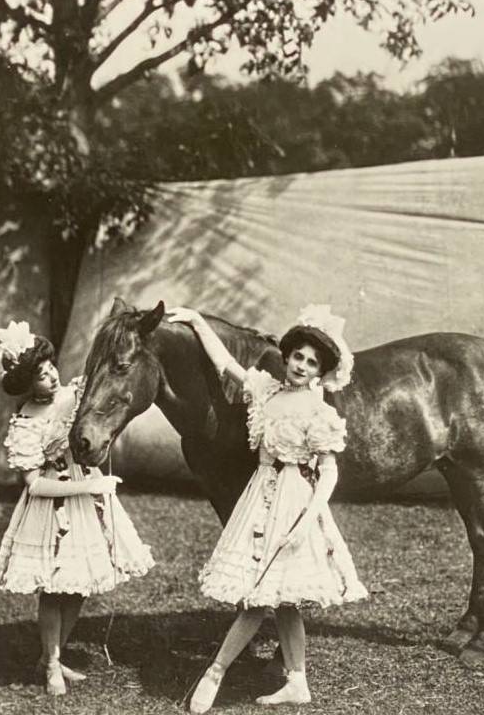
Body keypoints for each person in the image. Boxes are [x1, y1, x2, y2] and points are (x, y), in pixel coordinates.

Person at [166, 304, 368, 713]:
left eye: (312, 363)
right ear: (288, 356)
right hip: (260, 495)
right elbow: (224, 363)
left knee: (264, 598)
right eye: (298, 356)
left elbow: (328, 474)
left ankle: (215, 672)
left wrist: (304, 523)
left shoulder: (319, 412)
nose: (301, 366)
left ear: (319, 372)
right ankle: (298, 682)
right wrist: (196, 320)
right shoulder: (266, 390)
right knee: (280, 597)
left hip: (296, 502)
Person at [0, 320, 154, 695]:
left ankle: (53, 657)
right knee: (54, 587)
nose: (51, 378)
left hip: (85, 503)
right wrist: (90, 484)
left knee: (78, 585)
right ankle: (50, 664)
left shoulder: (75, 394)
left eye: (50, 369)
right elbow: (32, 483)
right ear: (28, 385)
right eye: (42, 377)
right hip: (53, 503)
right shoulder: (26, 422)